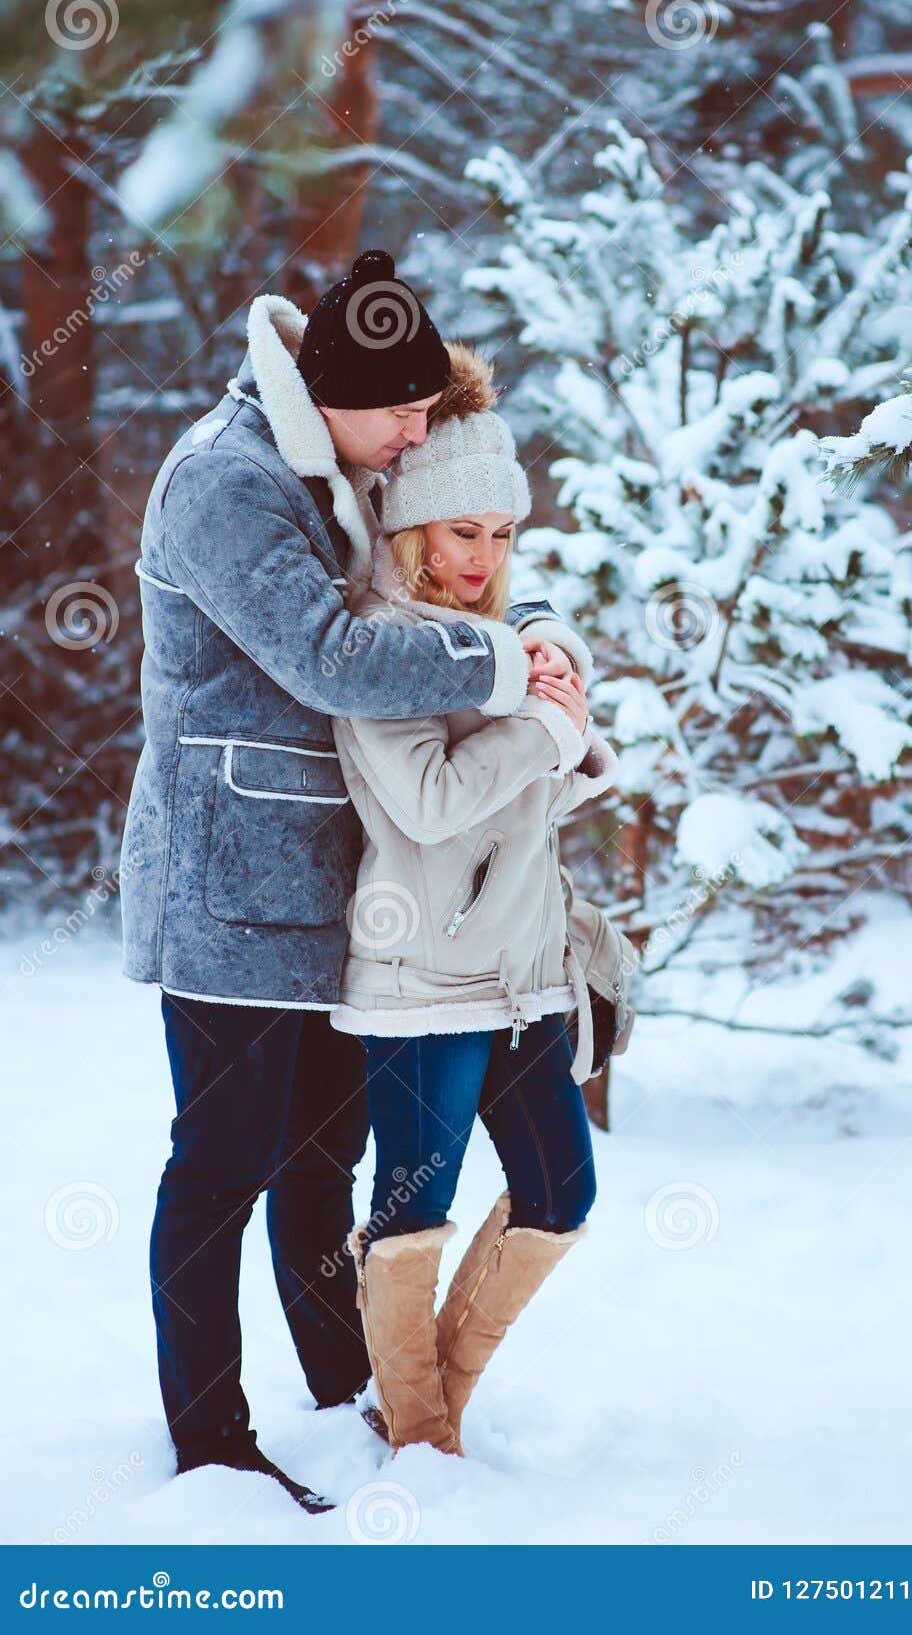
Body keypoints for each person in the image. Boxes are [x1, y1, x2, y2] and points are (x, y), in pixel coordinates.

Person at [119, 250, 579, 1511]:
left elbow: (433, 567)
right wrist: (502, 676)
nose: (417, 436)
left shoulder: (342, 461)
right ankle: (210, 1438)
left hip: (339, 883)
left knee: (319, 1158)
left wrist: (526, 626)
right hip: (229, 879)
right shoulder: (226, 481)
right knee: (221, 1160)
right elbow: (328, 654)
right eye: (405, 414)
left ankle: (336, 1400)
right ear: (333, 389)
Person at [329, 348, 618, 1458]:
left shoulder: (508, 636)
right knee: (415, 1213)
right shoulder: (381, 644)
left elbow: (549, 777)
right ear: (413, 529)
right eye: (462, 534)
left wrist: (563, 706)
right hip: (423, 978)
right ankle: (419, 1435)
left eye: (502, 534)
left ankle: (424, 1405)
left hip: (523, 972)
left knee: (560, 1190)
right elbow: (432, 800)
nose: (482, 557)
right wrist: (549, 728)